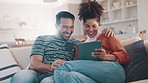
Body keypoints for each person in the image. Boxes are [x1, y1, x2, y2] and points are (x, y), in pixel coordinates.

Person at [10, 11, 114, 83]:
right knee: (21, 76)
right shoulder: (42, 39)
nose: (69, 31)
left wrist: (105, 32)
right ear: (56, 26)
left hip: (55, 76)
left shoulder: (76, 43)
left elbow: (92, 42)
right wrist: (51, 67)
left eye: (71, 27)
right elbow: (34, 64)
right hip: (35, 73)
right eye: (65, 27)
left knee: (47, 82)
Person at [54, 0, 129, 83]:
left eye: (94, 26)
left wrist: (106, 56)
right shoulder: (80, 44)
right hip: (94, 78)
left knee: (61, 67)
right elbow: (79, 66)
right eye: (87, 26)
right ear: (83, 25)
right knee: (70, 76)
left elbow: (125, 56)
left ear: (99, 24)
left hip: (113, 72)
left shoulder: (107, 36)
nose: (90, 30)